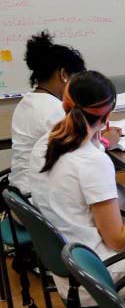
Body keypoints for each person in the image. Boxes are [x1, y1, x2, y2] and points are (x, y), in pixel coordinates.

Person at [29, 71, 125, 306]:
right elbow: (117, 240)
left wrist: (98, 140)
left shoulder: (46, 143)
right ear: (108, 114)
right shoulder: (91, 161)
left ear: (65, 103)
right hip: (97, 281)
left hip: (70, 268)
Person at [10, 31, 87, 195]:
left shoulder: (27, 102)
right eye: (76, 78)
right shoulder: (55, 110)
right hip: (42, 194)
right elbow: (83, 156)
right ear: (63, 74)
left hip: (20, 192)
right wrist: (107, 142)